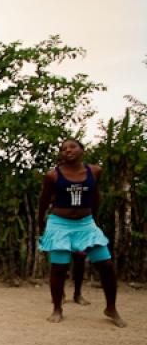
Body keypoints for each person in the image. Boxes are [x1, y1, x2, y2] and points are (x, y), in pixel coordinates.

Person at [37, 138, 125, 327]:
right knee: (59, 268)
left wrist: (94, 218)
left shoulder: (94, 171)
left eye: (72, 147)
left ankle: (111, 307)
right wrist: (40, 223)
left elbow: (95, 196)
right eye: (63, 149)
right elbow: (44, 201)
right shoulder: (52, 175)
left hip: (86, 223)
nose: (68, 151)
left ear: (82, 150)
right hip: (60, 224)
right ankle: (57, 309)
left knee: (106, 264)